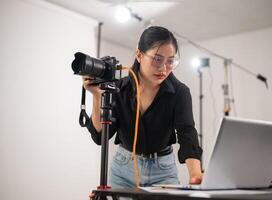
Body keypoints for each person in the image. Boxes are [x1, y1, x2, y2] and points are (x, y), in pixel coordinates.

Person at [82, 26, 203, 188]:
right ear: (139, 55)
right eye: (157, 59)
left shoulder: (180, 92)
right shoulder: (119, 88)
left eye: (170, 61)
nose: (164, 68)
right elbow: (100, 137)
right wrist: (97, 96)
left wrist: (196, 175)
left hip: (163, 171)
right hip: (123, 169)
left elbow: (187, 133)